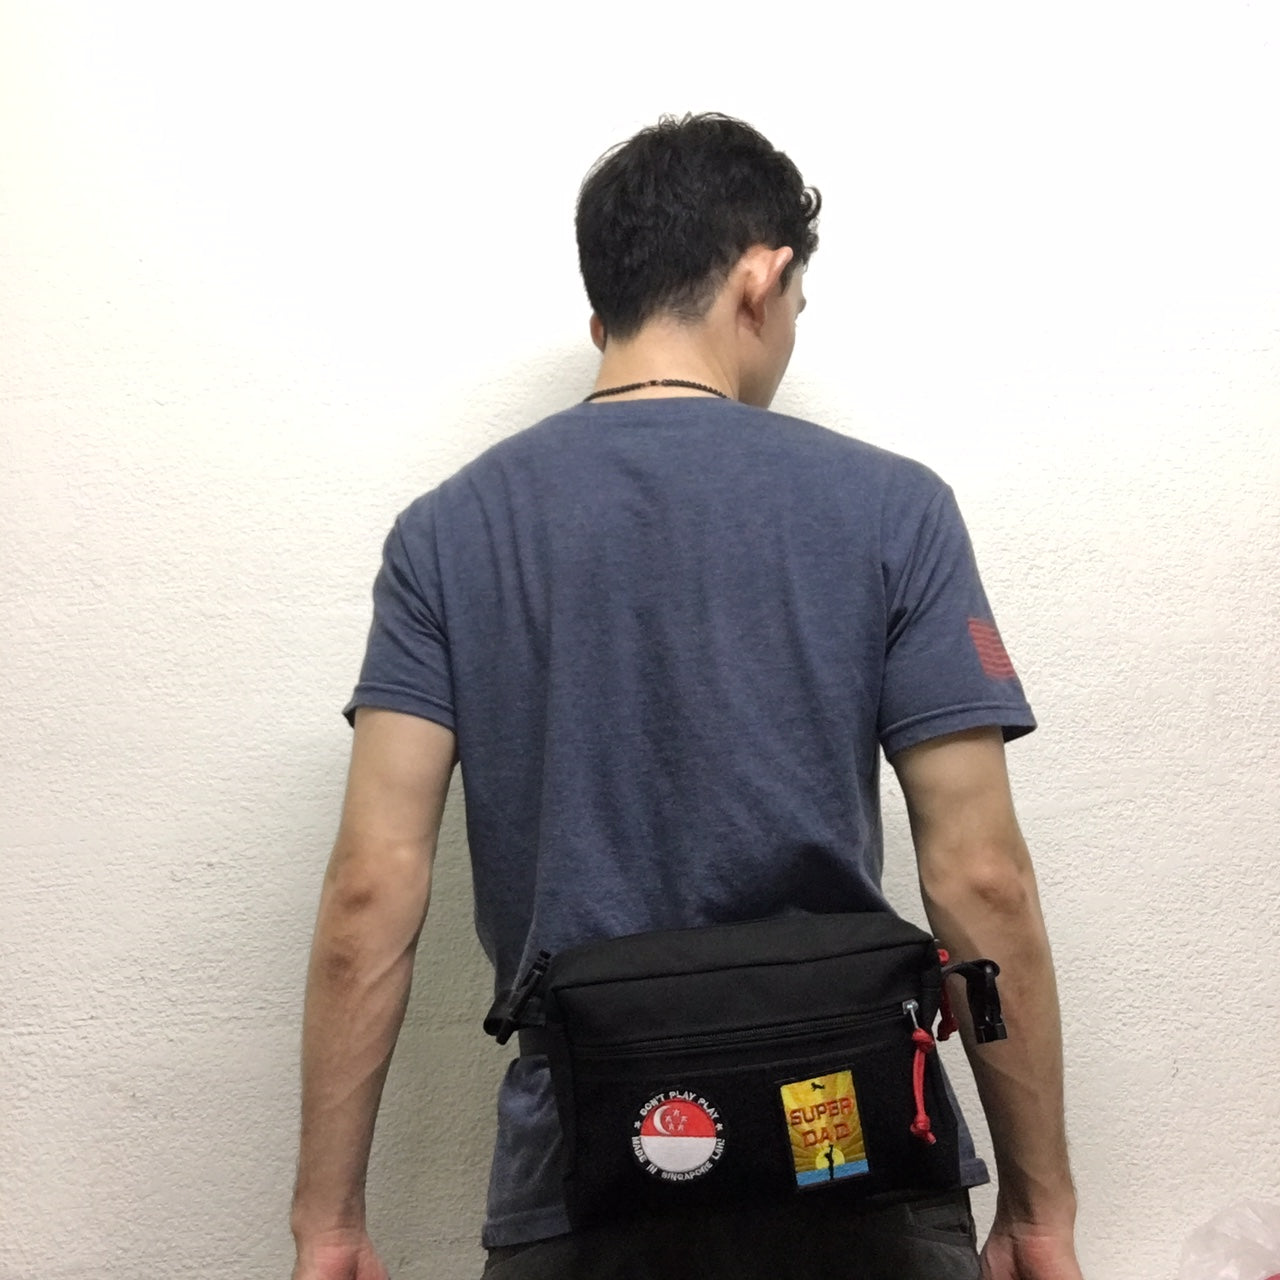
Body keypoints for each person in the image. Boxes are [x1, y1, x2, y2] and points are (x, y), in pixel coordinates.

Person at [290, 113, 1083, 1280]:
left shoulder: (446, 534)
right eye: (797, 305)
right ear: (761, 278)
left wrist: (330, 1221)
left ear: (602, 316)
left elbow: (370, 888)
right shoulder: (893, 509)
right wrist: (1037, 1205)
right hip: (851, 1153)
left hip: (584, 1175)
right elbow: (981, 876)